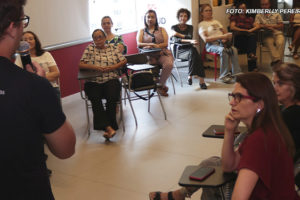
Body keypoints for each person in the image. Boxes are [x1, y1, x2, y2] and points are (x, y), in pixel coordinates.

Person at [149, 72, 299, 200]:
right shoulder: (263, 130)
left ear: (259, 105)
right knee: (212, 166)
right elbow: (229, 166)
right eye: (232, 96)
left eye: (239, 97)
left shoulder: (259, 140)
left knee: (210, 183)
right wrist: (229, 131)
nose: (232, 103)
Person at [0, 0, 76, 199]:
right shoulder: (33, 86)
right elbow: (65, 148)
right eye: (22, 21)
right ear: (11, 26)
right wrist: (44, 93)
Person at [79, 29, 127, 139]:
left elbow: (123, 61)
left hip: (110, 79)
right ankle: (109, 127)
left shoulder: (112, 48)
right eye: (95, 38)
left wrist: (113, 67)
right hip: (93, 80)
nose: (98, 39)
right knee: (94, 97)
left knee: (112, 95)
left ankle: (108, 128)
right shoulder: (90, 48)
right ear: (93, 40)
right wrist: (95, 67)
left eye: (100, 37)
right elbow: (81, 64)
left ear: (105, 38)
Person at [198, 4, 241, 83]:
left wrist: (226, 38)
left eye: (210, 10)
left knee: (234, 49)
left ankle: (236, 73)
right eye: (206, 11)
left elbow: (225, 33)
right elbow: (206, 39)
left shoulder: (216, 22)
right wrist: (221, 37)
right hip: (211, 44)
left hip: (222, 42)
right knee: (223, 50)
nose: (209, 12)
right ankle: (224, 76)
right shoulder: (202, 24)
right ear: (202, 13)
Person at [137, 9, 174, 96]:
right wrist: (149, 45)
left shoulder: (162, 29)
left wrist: (155, 46)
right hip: (149, 55)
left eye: (152, 17)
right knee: (152, 67)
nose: (150, 19)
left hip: (162, 53)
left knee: (169, 64)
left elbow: (165, 43)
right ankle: (158, 85)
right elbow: (139, 44)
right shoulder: (142, 31)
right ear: (145, 19)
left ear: (156, 18)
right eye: (148, 17)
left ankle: (160, 85)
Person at [15, 31, 61, 98]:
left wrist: (36, 78)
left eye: (31, 39)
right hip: (31, 91)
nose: (28, 41)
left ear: (35, 41)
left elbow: (56, 73)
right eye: (25, 40)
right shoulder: (19, 58)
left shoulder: (46, 54)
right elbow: (18, 77)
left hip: (50, 88)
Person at [170, 8, 207, 89]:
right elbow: (175, 40)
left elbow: (190, 37)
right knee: (196, 54)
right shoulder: (174, 27)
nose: (183, 18)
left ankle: (190, 77)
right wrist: (187, 40)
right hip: (179, 52)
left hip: (189, 50)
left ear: (188, 17)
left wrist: (178, 34)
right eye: (181, 16)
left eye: (185, 16)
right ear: (178, 17)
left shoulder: (190, 27)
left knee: (194, 53)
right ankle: (201, 81)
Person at [272, 63, 300, 157]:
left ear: (295, 86)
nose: (275, 88)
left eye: (280, 83)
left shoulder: (291, 115)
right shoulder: (285, 109)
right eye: (274, 83)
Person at [230, 2, 260, 72]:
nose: (242, 10)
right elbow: (232, 27)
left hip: (248, 39)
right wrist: (243, 30)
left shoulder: (250, 18)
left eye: (243, 8)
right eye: (240, 8)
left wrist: (250, 30)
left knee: (252, 37)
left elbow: (258, 26)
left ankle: (251, 55)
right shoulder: (234, 17)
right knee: (251, 40)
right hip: (239, 40)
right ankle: (252, 67)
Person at [254, 0, 284, 66]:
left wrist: (272, 26)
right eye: (263, 5)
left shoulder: (276, 14)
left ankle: (276, 62)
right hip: (266, 34)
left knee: (280, 42)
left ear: (269, 5)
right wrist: (265, 26)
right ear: (261, 6)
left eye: (266, 4)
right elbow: (255, 25)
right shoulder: (258, 15)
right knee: (269, 43)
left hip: (277, 33)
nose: (264, 6)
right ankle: (278, 63)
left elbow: (281, 26)